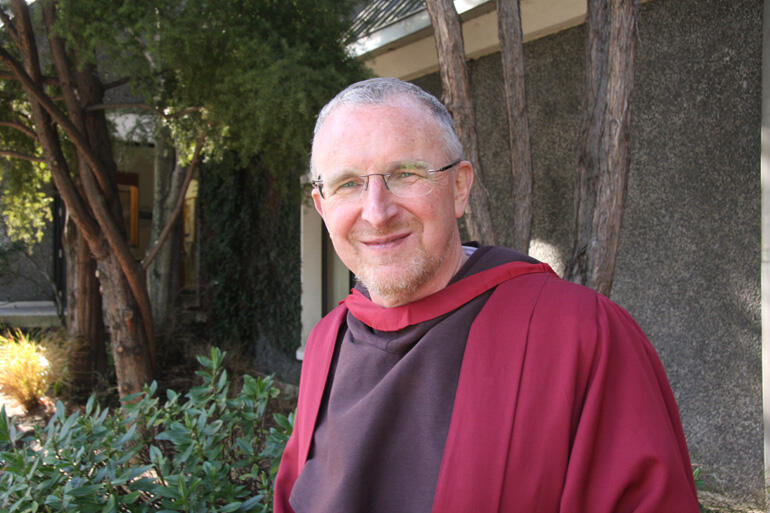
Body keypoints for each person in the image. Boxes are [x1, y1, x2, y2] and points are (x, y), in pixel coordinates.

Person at [274, 77, 700, 513]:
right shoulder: (329, 341)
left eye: (405, 174)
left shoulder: (581, 335)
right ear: (322, 206)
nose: (377, 212)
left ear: (459, 188)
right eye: (348, 183)